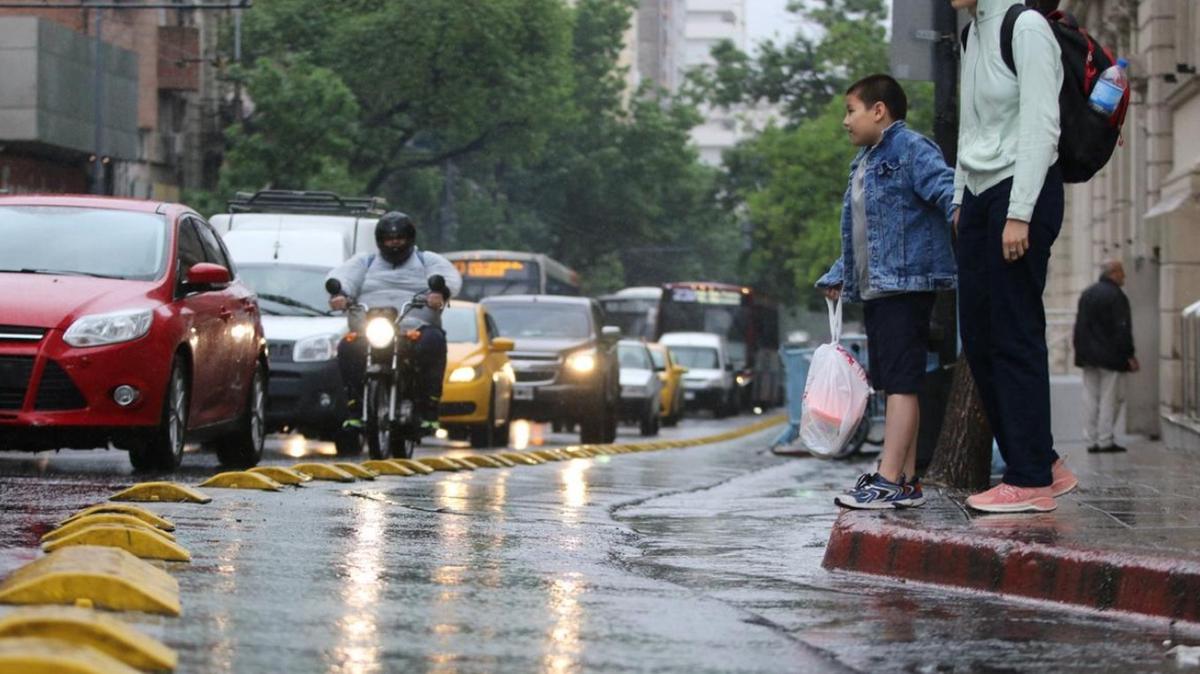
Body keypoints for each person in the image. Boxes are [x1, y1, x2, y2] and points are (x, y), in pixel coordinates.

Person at [951, 0, 1078, 513]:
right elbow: (969, 126)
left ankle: (1027, 480)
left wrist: (1020, 211)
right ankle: (1042, 462)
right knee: (980, 338)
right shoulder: (971, 35)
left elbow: (1042, 126)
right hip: (980, 195)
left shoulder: (1024, 27)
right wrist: (961, 199)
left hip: (1020, 191)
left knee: (1015, 333)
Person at [816, 74, 957, 509]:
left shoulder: (911, 149)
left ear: (879, 110)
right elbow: (861, 232)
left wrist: (971, 223)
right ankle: (906, 481)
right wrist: (841, 273)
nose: (845, 121)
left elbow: (948, 192)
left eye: (851, 110)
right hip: (877, 288)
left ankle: (889, 478)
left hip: (906, 285)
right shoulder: (864, 162)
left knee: (901, 383)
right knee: (898, 383)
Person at [326, 211, 462, 437]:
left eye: (399, 238)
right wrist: (339, 293)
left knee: (434, 341)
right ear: (380, 241)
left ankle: (430, 408)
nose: (394, 243)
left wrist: (439, 292)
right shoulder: (365, 261)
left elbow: (448, 277)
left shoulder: (427, 260)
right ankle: (355, 408)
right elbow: (345, 277)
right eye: (389, 239)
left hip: (414, 326)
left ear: (410, 239)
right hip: (370, 327)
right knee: (347, 347)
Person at [1073, 259, 1138, 453]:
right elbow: (1122, 328)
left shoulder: (1087, 293)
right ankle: (1105, 439)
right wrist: (1129, 354)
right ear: (1114, 274)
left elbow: (1080, 327)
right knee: (1110, 398)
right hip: (1110, 356)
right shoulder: (1117, 296)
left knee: (1090, 397)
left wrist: (1080, 352)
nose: (1124, 276)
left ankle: (1091, 439)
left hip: (1087, 356)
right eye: (1121, 272)